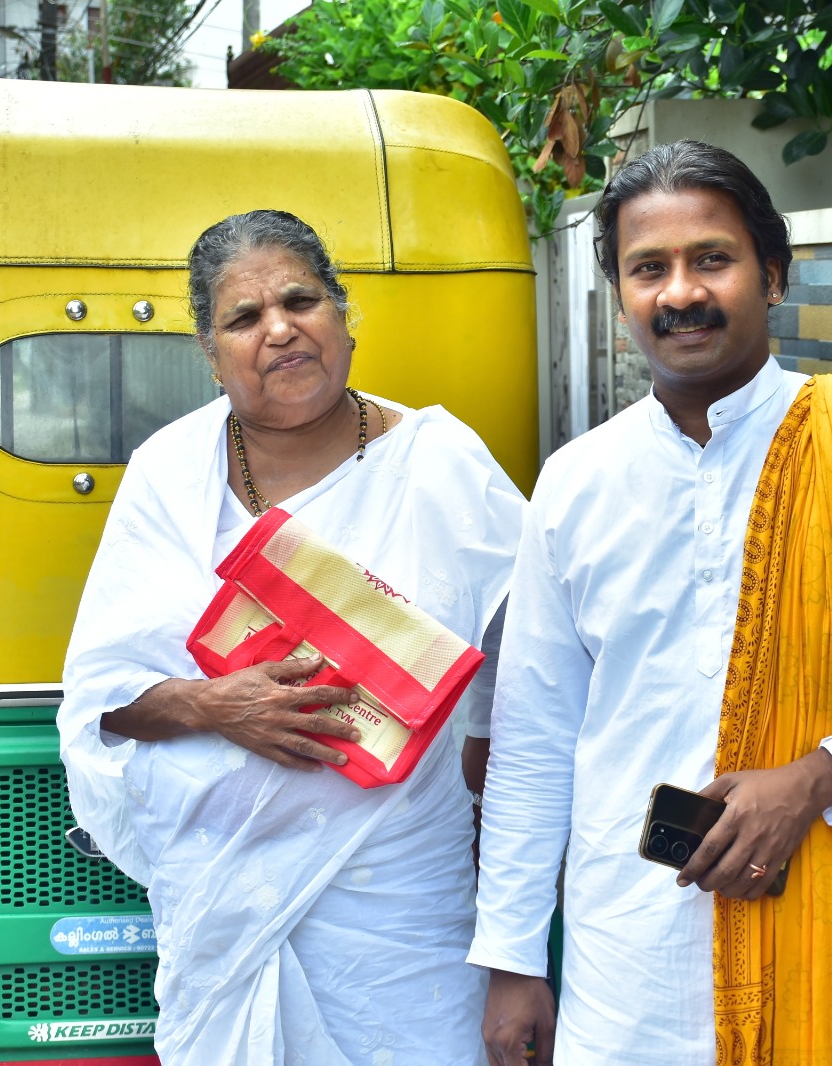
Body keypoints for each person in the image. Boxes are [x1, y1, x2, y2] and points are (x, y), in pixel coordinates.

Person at [468, 141, 832, 1065]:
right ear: (621, 294)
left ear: (773, 274)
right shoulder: (574, 482)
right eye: (649, 268)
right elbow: (534, 737)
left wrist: (816, 780)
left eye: (712, 259)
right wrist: (514, 956)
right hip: (631, 955)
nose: (680, 292)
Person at [58, 210, 522, 1065]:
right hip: (222, 901)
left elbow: (525, 690)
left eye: (301, 301)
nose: (279, 329)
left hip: (403, 901)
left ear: (343, 317)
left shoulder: (440, 462)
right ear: (211, 354)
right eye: (244, 317)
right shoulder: (171, 473)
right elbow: (103, 701)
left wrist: (514, 916)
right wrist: (212, 705)